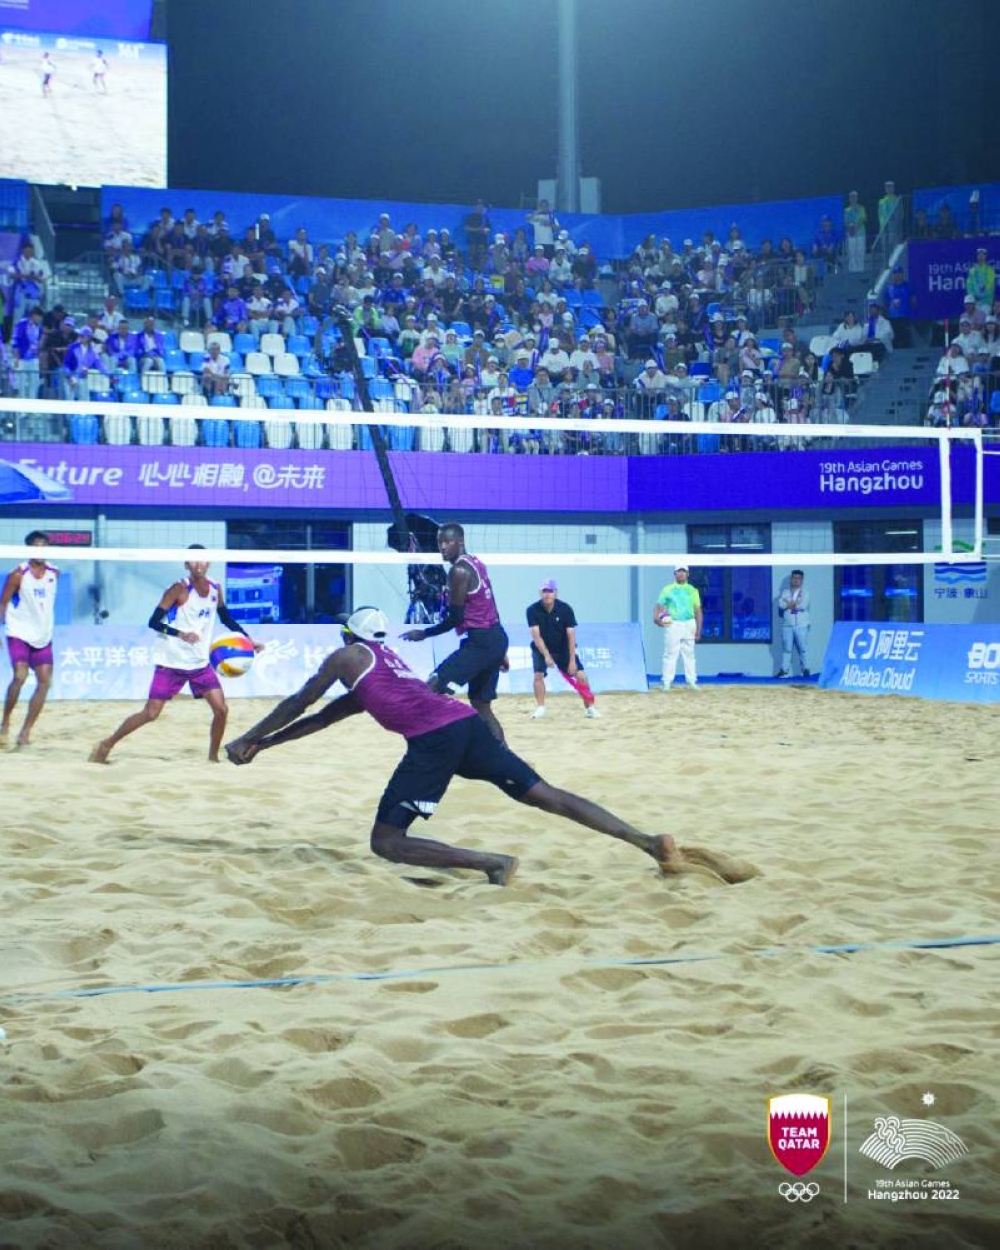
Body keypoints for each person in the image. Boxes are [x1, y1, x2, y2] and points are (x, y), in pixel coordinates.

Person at [225, 607, 748, 887]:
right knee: (546, 794)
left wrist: (250, 737)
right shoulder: (385, 668)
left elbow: (300, 702)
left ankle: (492, 864)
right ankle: (650, 842)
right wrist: (262, 746)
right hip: (464, 722)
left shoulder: (348, 658)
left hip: (435, 739)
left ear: (347, 636)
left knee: (386, 842)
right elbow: (323, 719)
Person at [89, 547, 262, 764]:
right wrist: (180, 634)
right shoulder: (179, 588)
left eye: (202, 560)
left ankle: (212, 757)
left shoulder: (216, 588)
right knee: (151, 714)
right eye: (193, 561)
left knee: (221, 710)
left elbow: (226, 619)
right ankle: (106, 744)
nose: (198, 564)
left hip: (199, 663)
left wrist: (248, 640)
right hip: (171, 662)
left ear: (209, 563)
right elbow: (153, 622)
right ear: (186, 565)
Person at [401, 524, 508, 742]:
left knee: (431, 687)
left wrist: (425, 633)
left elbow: (455, 619)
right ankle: (506, 757)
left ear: (461, 542)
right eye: (440, 542)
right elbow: (492, 605)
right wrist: (501, 650)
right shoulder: (476, 562)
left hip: (481, 643)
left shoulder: (458, 571)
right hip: (495, 638)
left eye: (448, 542)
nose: (442, 547)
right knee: (481, 705)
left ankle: (430, 744)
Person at [0, 532, 58, 747]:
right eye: (36, 547)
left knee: (45, 682)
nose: (40, 551)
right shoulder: (17, 574)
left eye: (44, 546)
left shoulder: (54, 572)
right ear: (28, 549)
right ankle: (5, 723)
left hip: (43, 635)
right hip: (18, 633)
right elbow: (3, 603)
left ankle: (25, 732)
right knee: (20, 676)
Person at [526, 580, 598, 720]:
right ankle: (540, 708)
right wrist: (546, 656)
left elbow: (571, 636)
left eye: (550, 591)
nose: (547, 594)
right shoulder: (532, 610)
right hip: (541, 649)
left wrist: (572, 660)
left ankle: (590, 708)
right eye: (544, 591)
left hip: (563, 648)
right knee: (538, 676)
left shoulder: (565, 609)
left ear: (556, 593)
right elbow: (536, 636)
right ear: (540, 593)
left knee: (581, 676)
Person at [654, 564, 702, 690]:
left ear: (688, 574)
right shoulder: (668, 589)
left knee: (689, 653)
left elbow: (698, 610)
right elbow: (659, 605)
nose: (681, 574)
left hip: (689, 622)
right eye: (678, 571)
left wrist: (698, 630)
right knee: (670, 653)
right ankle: (667, 682)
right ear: (674, 574)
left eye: (683, 571)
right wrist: (656, 617)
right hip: (673, 622)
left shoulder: (692, 590)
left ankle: (691, 681)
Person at [776, 569, 811, 678]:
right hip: (788, 625)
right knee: (787, 649)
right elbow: (781, 605)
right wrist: (791, 604)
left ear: (802, 580)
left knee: (803, 648)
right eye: (794, 578)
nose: (796, 580)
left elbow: (803, 606)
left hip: (801, 625)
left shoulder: (805, 593)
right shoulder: (785, 592)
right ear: (791, 579)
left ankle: (806, 669)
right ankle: (784, 670)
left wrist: (790, 604)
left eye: (798, 578)